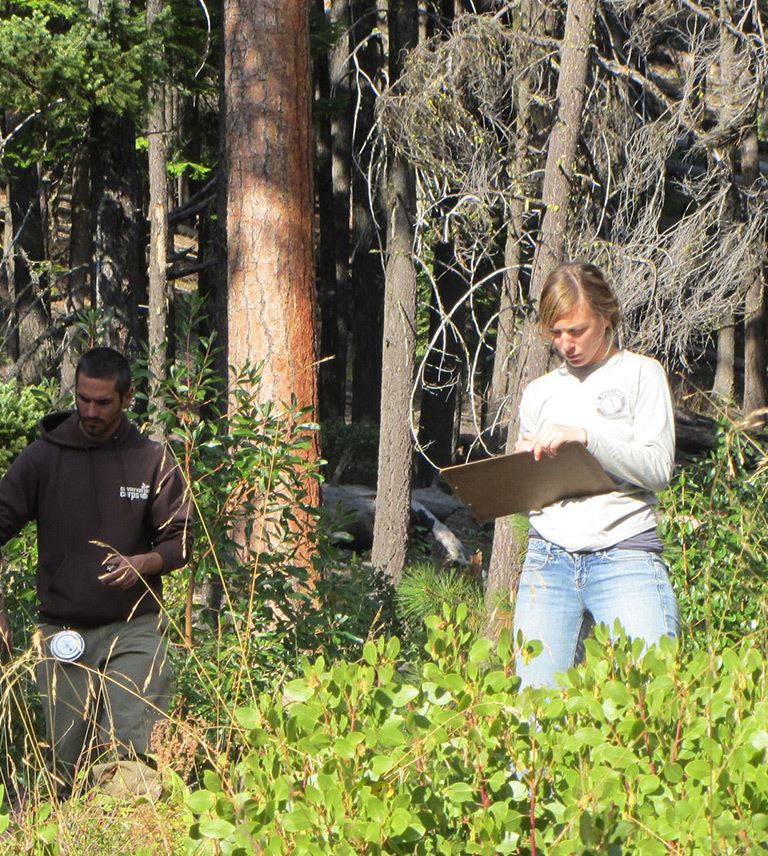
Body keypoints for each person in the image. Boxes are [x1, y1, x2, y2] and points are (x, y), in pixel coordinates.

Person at [0, 347, 192, 794]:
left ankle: (124, 831)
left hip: (135, 627)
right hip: (62, 630)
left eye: (102, 402)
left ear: (126, 398)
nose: (90, 410)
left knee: (131, 758)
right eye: (83, 399)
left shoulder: (152, 460)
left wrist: (144, 563)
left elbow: (182, 539)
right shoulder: (42, 458)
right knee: (61, 767)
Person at [513, 262, 679, 688]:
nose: (566, 344)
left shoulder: (642, 374)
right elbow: (533, 491)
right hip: (548, 558)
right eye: (556, 333)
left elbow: (659, 468)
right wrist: (520, 468)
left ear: (606, 317)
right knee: (533, 716)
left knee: (650, 695)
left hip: (626, 553)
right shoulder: (540, 392)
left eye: (577, 330)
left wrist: (587, 439)